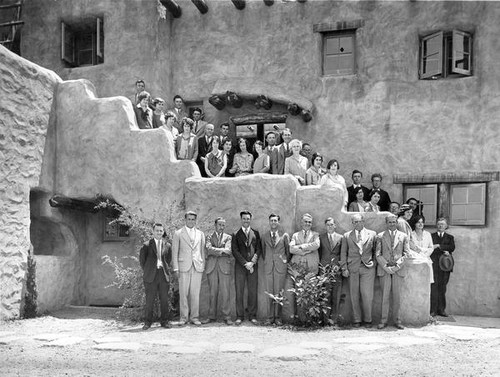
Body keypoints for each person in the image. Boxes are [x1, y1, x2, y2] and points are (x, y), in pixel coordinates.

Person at [340, 214, 377, 328]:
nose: (357, 224)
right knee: (354, 294)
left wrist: (374, 264)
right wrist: (344, 268)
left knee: (367, 295)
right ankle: (356, 319)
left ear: (363, 221)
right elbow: (343, 253)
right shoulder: (347, 236)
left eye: (359, 221)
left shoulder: (372, 234)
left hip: (367, 268)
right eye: (354, 222)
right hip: (353, 268)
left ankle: (368, 320)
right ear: (352, 223)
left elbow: (376, 251)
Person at [375, 214, 410, 330]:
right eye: (389, 222)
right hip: (384, 270)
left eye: (394, 222)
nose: (392, 224)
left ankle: (397, 320)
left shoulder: (404, 236)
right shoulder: (380, 236)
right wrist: (386, 267)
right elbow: (378, 254)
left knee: (397, 297)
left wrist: (396, 266)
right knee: (384, 296)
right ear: (386, 223)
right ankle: (383, 320)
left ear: (397, 222)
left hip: (398, 270)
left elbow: (406, 254)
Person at [171, 211, 206, 326]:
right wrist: (176, 268)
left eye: (193, 219)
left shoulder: (200, 234)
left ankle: (194, 317)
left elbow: (202, 251)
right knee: (183, 293)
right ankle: (183, 317)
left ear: (195, 220)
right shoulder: (178, 233)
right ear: (185, 220)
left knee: (195, 293)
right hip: (183, 266)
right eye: (189, 219)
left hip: (197, 266)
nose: (191, 221)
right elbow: (174, 252)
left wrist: (202, 265)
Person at [139, 223, 171, 330]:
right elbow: (142, 262)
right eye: (157, 230)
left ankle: (165, 321)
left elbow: (168, 260)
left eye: (161, 231)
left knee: (164, 300)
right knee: (150, 301)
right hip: (150, 276)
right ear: (153, 232)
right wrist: (149, 270)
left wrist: (164, 269)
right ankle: (147, 322)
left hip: (163, 275)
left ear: (163, 232)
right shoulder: (146, 245)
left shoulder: (167, 245)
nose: (159, 232)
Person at [232, 210, 262, 325]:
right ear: (241, 219)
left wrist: (252, 262)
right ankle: (239, 316)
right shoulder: (235, 234)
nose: (246, 220)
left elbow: (259, 250)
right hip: (240, 267)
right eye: (244, 218)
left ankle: (252, 315)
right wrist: (246, 263)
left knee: (252, 291)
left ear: (250, 219)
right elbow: (235, 251)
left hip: (253, 267)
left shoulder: (256, 233)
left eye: (248, 219)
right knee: (239, 291)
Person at [261, 213, 290, 326]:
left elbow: (288, 252)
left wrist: (283, 261)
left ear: (278, 222)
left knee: (279, 292)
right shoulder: (264, 236)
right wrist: (268, 261)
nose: (273, 222)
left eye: (275, 220)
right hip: (268, 267)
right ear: (269, 222)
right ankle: (269, 317)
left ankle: (278, 317)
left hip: (280, 268)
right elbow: (263, 252)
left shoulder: (284, 236)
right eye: (271, 220)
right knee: (269, 292)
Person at [204, 217, 233, 325]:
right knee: (212, 293)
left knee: (225, 293)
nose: (221, 227)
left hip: (224, 268)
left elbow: (229, 251)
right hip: (212, 267)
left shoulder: (228, 237)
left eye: (223, 225)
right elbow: (208, 249)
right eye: (219, 225)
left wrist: (214, 251)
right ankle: (211, 316)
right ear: (215, 225)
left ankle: (227, 316)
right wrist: (222, 250)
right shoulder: (209, 236)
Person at [318, 217, 343, 324]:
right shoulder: (320, 237)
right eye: (328, 225)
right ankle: (325, 320)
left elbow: (343, 253)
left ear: (335, 225)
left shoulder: (341, 238)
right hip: (324, 270)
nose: (330, 226)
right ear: (325, 226)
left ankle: (334, 320)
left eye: (332, 224)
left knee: (336, 296)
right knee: (325, 295)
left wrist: (339, 265)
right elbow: (318, 254)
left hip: (336, 270)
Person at [430, 218, 456, 317]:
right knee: (434, 287)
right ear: (436, 225)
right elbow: (430, 247)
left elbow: (452, 247)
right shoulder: (431, 236)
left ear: (446, 226)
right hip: (434, 264)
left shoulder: (450, 237)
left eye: (442, 224)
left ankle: (441, 310)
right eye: (439, 224)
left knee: (443, 287)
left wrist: (439, 246)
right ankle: (433, 310)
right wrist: (441, 247)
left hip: (445, 265)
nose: (440, 226)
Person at [409, 215, 434, 284]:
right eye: (418, 222)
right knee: (415, 282)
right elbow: (411, 248)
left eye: (422, 222)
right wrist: (421, 251)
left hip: (426, 260)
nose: (420, 224)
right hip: (415, 261)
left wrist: (424, 254)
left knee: (426, 282)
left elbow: (431, 247)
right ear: (414, 223)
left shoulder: (427, 234)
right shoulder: (411, 235)